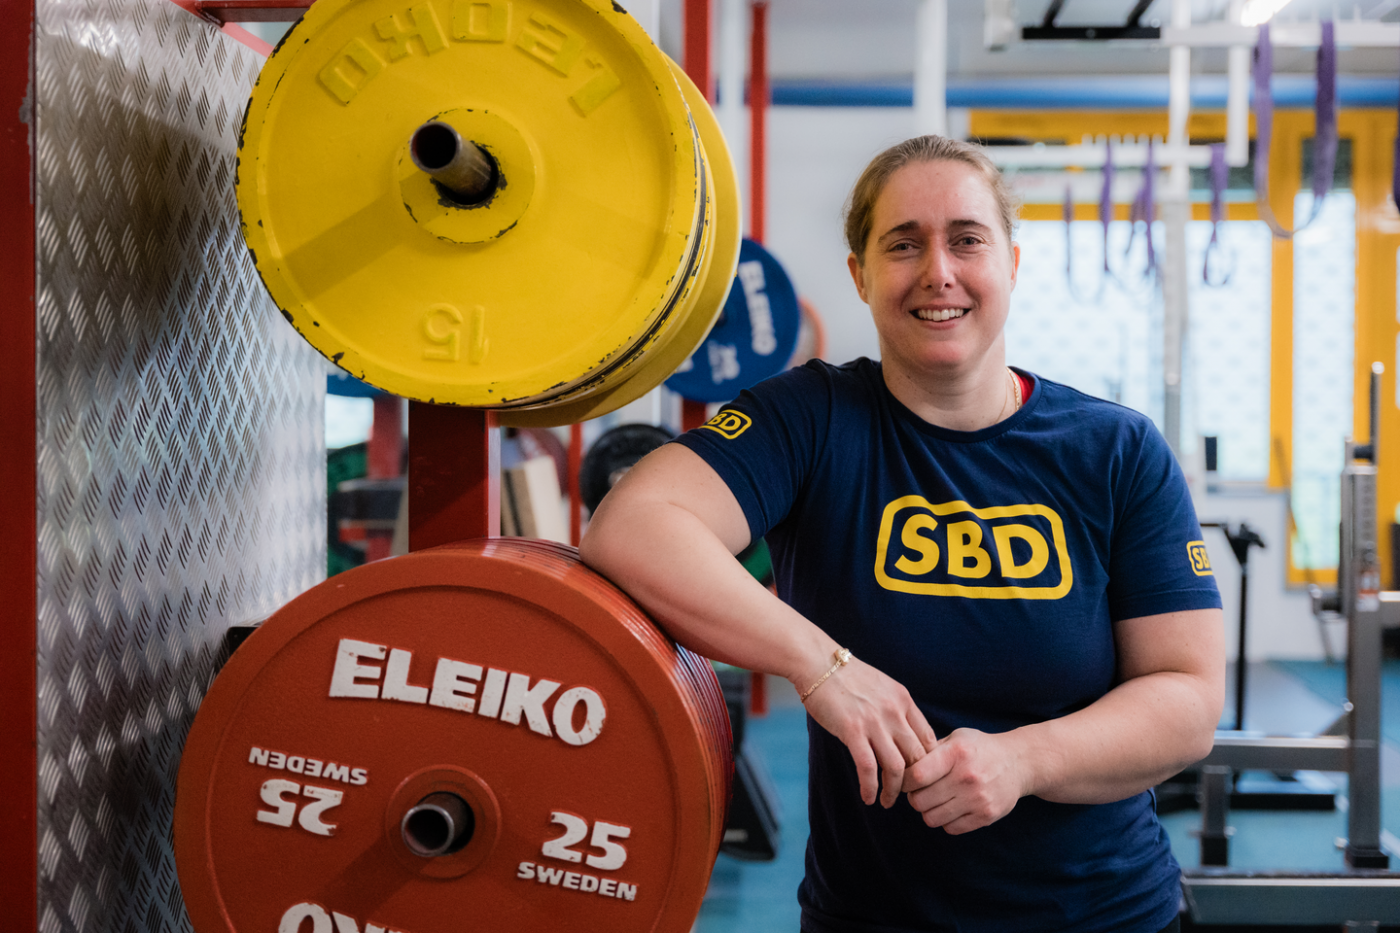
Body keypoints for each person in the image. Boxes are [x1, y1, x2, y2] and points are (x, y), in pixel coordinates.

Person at [580, 135, 1224, 933]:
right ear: (859, 274)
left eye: (966, 239)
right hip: (874, 915)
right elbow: (632, 525)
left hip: (1105, 913)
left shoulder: (1117, 450)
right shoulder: (809, 420)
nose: (938, 272)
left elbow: (1188, 697)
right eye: (903, 244)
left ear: (1011, 264)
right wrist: (824, 666)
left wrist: (1024, 760)